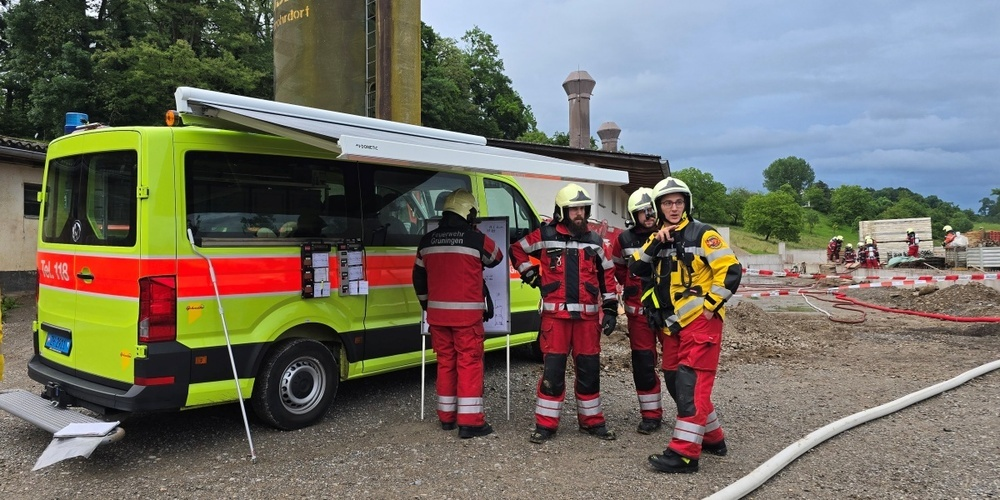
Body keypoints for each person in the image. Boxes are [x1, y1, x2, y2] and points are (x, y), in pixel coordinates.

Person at [628, 177, 742, 474]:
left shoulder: (703, 234)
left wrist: (709, 307)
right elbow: (636, 268)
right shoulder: (658, 237)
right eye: (667, 203)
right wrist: (655, 241)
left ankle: (685, 454)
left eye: (679, 202)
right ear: (658, 207)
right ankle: (713, 438)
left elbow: (730, 270)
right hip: (671, 327)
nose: (674, 208)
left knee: (691, 388)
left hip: (701, 325)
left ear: (687, 204)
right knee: (676, 383)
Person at [510, 183, 619, 444]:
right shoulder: (545, 235)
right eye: (574, 209)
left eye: (583, 208)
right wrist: (531, 274)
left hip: (587, 322)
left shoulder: (594, 241)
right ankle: (546, 425)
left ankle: (592, 422)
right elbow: (517, 249)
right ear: (561, 211)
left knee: (590, 371)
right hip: (555, 321)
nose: (579, 214)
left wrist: (611, 308)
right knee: (553, 373)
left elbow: (608, 276)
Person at [412, 189, 502, 439]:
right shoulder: (475, 239)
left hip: (438, 318)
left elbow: (418, 279)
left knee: (446, 363)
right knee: (469, 363)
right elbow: (496, 257)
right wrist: (475, 231)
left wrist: (427, 306)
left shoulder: (427, 240)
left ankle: (447, 417)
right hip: (467, 319)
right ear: (468, 213)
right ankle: (471, 423)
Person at [609, 187, 667, 434]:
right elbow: (620, 272)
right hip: (639, 314)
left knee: (677, 364)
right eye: (642, 212)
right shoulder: (624, 240)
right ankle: (651, 415)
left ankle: (691, 412)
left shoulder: (670, 233)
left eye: (650, 210)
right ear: (633, 215)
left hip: (668, 312)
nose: (648, 215)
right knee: (643, 364)